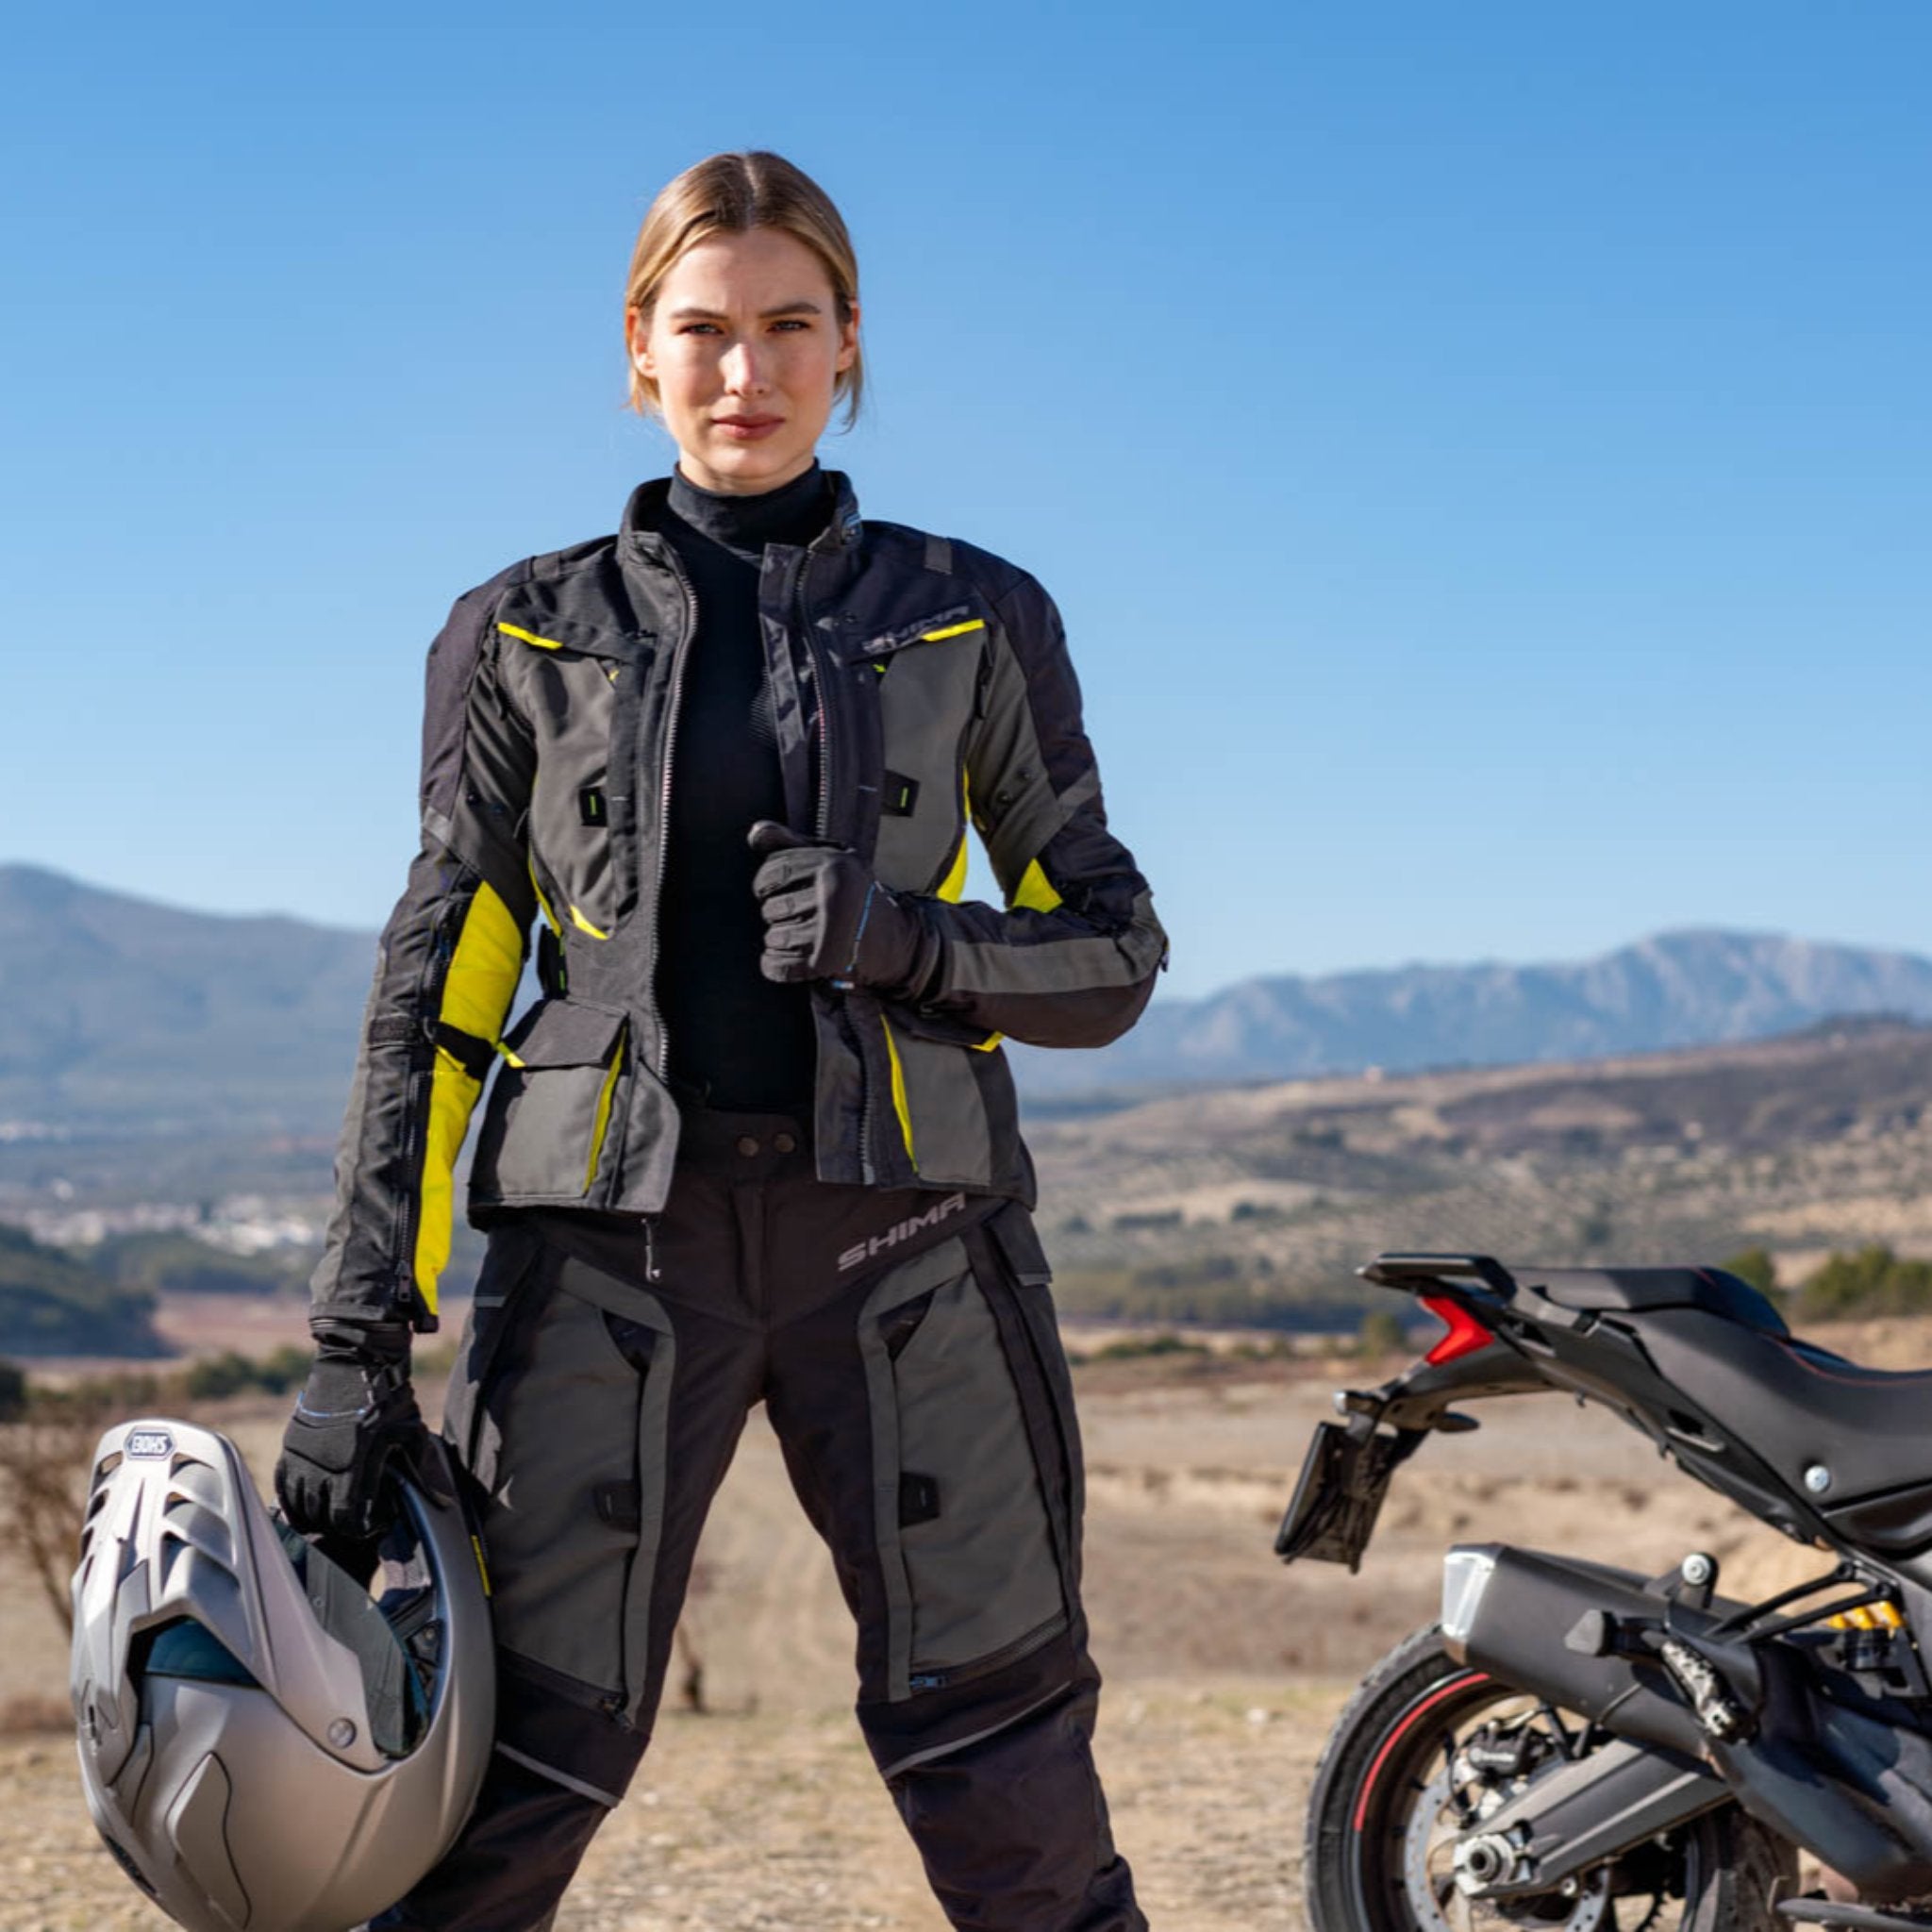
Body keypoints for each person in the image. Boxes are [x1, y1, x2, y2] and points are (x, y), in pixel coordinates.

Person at [275, 149, 1168, 1932]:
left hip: (911, 1247)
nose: (742, 372)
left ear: (849, 350)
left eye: (787, 327)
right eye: (703, 330)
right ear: (636, 350)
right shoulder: (524, 626)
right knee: (498, 1783)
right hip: (609, 1259)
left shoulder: (975, 612)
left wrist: (900, 938)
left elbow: (1114, 955)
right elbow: (439, 992)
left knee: (1011, 1780)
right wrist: (355, 1326)